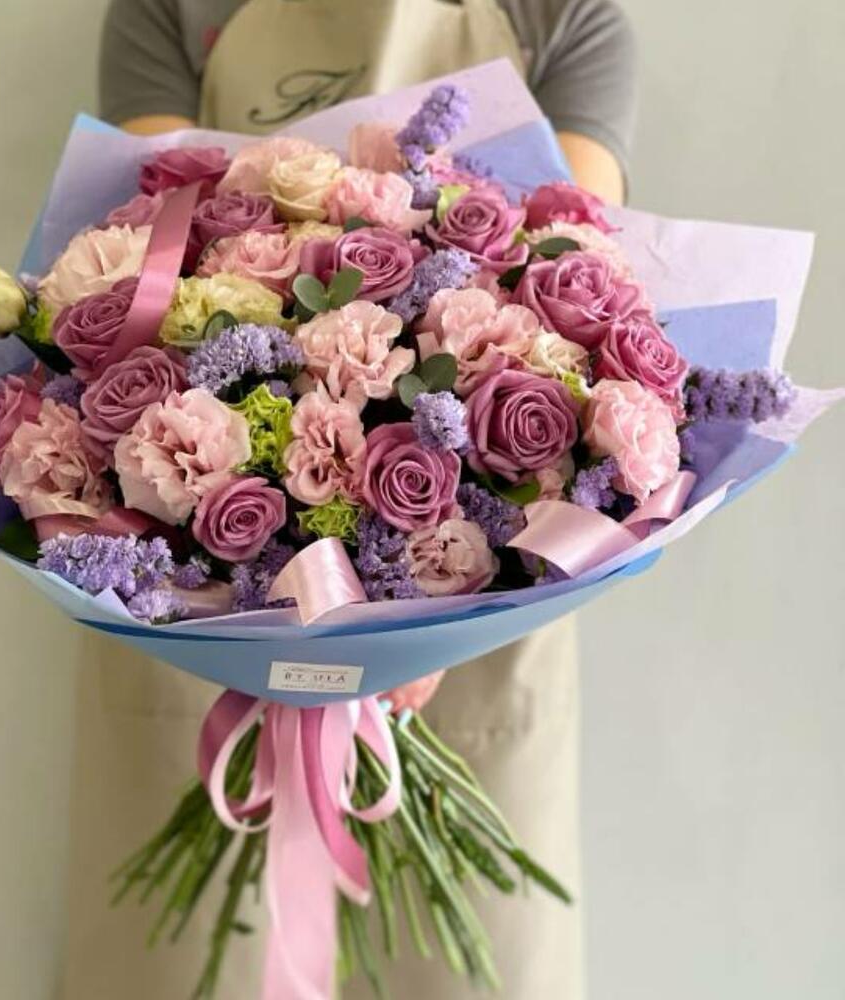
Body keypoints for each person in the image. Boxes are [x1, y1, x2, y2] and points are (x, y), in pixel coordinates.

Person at [60, 2, 637, 998]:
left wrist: (430, 612)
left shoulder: (565, 17)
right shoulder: (172, 9)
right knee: (182, 967)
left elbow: (568, 274)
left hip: (480, 612)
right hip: (198, 598)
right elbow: (152, 260)